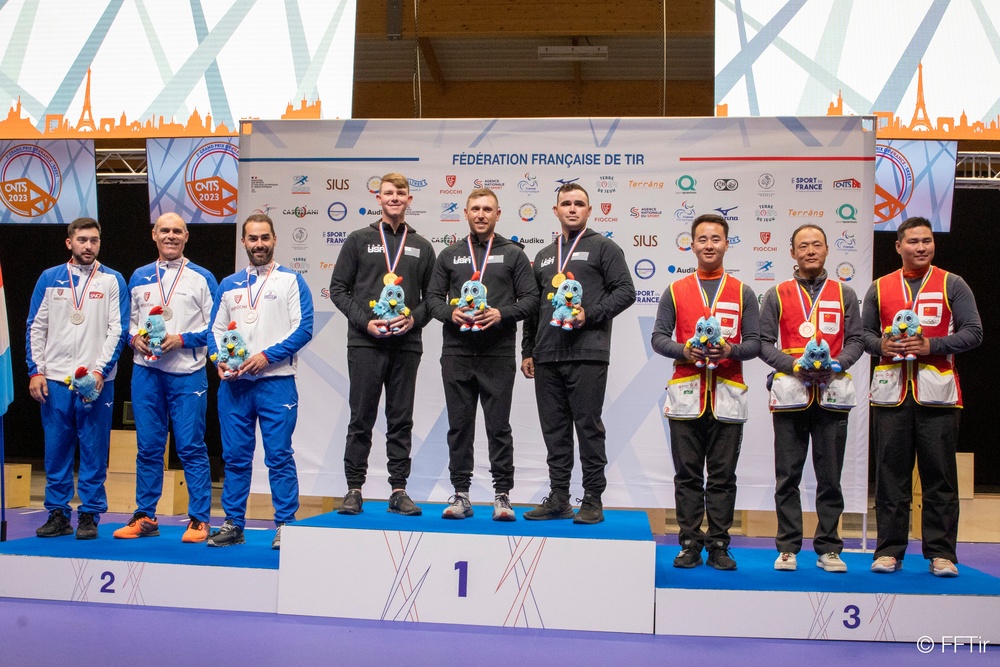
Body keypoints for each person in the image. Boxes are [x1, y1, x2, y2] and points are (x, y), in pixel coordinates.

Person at [863, 216, 981, 577]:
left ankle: (941, 553)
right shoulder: (879, 287)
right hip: (891, 395)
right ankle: (888, 551)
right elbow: (862, 337)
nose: (921, 247)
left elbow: (974, 333)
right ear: (898, 246)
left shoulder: (953, 284)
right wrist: (882, 344)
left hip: (938, 395)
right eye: (913, 242)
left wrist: (932, 344)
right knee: (890, 475)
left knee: (939, 476)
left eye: (927, 241)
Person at [520, 182, 635, 525]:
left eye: (579, 204)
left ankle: (593, 498)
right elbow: (533, 309)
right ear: (555, 211)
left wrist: (590, 313)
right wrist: (528, 350)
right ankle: (558, 497)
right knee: (554, 430)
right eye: (566, 203)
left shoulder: (604, 248)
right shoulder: (542, 256)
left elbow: (626, 291)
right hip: (547, 356)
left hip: (587, 352)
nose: (572, 208)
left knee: (588, 428)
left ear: (589, 210)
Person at [651, 213, 760, 570]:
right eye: (702, 239)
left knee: (723, 476)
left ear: (727, 244)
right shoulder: (675, 290)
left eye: (716, 239)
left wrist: (730, 350)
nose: (709, 245)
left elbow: (757, 343)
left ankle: (719, 544)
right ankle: (689, 542)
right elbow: (659, 339)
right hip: (686, 395)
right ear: (692, 244)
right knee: (687, 475)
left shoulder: (743, 291)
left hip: (727, 393)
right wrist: (684, 350)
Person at [426, 188, 538, 521]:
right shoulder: (449, 254)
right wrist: (451, 313)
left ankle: (502, 495)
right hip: (457, 353)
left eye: (487, 209)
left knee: (498, 427)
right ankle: (461, 494)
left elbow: (531, 300)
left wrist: (501, 313)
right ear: (465, 212)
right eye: (475, 208)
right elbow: (432, 300)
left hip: (497, 353)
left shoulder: (513, 254)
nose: (481, 214)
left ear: (498, 214)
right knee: (459, 427)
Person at [329, 173, 436, 516]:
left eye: (400, 193)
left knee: (400, 419)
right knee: (361, 417)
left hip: (406, 345)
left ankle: (399, 490)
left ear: (409, 199)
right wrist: (366, 322)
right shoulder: (358, 240)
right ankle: (353, 489)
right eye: (388, 193)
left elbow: (433, 299)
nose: (394, 198)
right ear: (378, 198)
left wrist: (413, 320)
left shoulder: (422, 246)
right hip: (365, 342)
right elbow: (338, 290)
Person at [758, 224, 863, 573]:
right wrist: (793, 366)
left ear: (827, 249)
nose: (810, 251)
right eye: (803, 245)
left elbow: (857, 340)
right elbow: (762, 342)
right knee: (787, 475)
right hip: (791, 394)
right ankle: (787, 547)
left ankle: (829, 548)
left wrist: (838, 364)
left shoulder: (844, 293)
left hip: (832, 393)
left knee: (829, 476)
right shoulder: (777, 293)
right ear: (793, 253)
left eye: (817, 244)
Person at [207, 213, 313, 549]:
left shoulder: (291, 281)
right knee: (236, 457)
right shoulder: (228, 285)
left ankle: (286, 524)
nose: (259, 244)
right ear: (243, 242)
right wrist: (218, 360)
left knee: (279, 455)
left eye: (264, 237)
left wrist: (266, 356)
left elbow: (304, 328)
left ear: (274, 239)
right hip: (235, 386)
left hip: (276, 381)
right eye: (252, 238)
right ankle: (233, 523)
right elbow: (215, 332)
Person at [114, 213, 218, 543]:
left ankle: (200, 519)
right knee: (148, 448)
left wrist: (183, 339)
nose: (170, 236)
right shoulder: (140, 276)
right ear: (154, 235)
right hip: (147, 373)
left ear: (186, 236)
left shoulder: (202, 278)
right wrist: (134, 339)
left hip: (187, 375)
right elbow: (126, 322)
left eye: (177, 231)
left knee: (190, 446)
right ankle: (145, 515)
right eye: (164, 231)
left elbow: (218, 327)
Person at [27, 217, 128, 540]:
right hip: (55, 379)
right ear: (69, 242)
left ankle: (89, 514)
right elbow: (36, 326)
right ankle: (57, 512)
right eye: (82, 240)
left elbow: (118, 329)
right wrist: (36, 370)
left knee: (94, 450)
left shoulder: (112, 280)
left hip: (96, 383)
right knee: (56, 450)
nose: (89, 246)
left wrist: (99, 371)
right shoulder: (50, 278)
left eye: (94, 240)